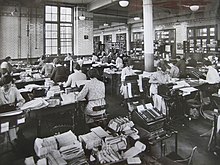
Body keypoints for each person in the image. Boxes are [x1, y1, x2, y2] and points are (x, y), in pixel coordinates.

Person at [0, 75, 25, 142]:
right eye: (5, 86)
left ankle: (13, 140)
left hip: (12, 112)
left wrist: (18, 104)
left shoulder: (14, 89)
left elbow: (22, 100)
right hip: (2, 114)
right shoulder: (0, 91)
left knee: (14, 123)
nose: (6, 87)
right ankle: (9, 140)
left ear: (11, 83)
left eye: (8, 85)